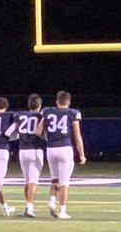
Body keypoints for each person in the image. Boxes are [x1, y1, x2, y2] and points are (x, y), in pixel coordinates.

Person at [36, 89, 86, 219]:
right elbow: (77, 136)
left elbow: (38, 131)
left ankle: (52, 200)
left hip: (51, 148)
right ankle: (63, 210)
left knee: (54, 179)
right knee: (64, 182)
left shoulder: (47, 111)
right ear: (68, 102)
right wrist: (82, 154)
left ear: (57, 101)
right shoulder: (73, 113)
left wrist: (48, 137)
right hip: (65, 148)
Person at [14, 93, 46, 218]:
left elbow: (13, 131)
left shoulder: (20, 115)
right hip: (35, 149)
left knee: (27, 180)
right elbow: (42, 132)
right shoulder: (41, 116)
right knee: (33, 180)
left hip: (22, 150)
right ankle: (29, 206)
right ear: (39, 105)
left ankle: (28, 205)